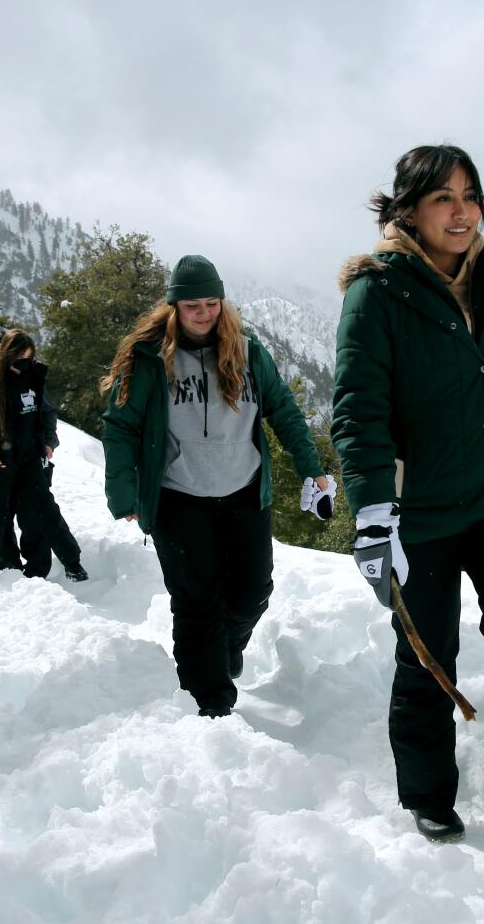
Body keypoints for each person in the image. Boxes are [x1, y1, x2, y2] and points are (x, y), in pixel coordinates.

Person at [331, 144, 484, 863]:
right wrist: (374, 513)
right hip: (425, 512)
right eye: (444, 197)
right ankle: (428, 794)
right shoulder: (376, 293)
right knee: (426, 651)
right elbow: (358, 410)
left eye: (471, 195)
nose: (463, 210)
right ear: (407, 209)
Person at [101, 254, 335, 718]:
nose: (204, 313)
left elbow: (284, 412)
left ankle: (224, 649)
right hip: (178, 496)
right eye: (193, 305)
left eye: (211, 303)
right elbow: (121, 425)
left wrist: (313, 468)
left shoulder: (248, 353)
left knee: (252, 592)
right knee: (196, 601)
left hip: (244, 493)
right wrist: (121, 491)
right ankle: (209, 705)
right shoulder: (149, 359)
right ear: (174, 308)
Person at [0, 329, 87, 581]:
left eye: (29, 358)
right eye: (19, 358)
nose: (24, 363)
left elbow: (44, 413)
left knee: (46, 511)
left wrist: (47, 443)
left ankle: (72, 563)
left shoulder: (34, 375)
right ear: (6, 356)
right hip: (0, 460)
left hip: (30, 456)